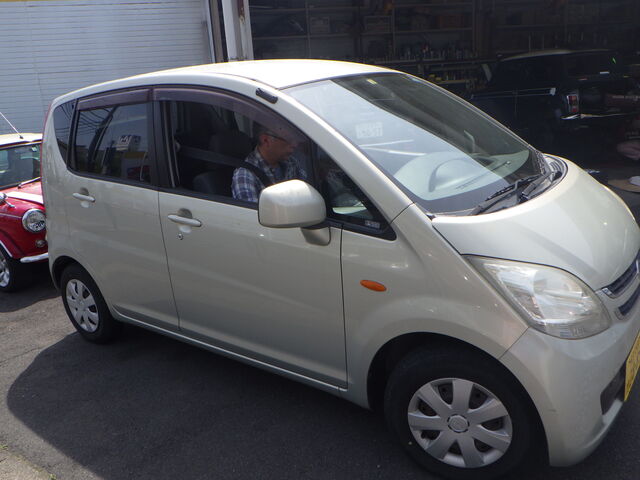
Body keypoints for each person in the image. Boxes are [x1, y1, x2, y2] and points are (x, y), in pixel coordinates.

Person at [232, 124, 306, 202]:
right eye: (289, 139)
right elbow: (251, 209)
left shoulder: (291, 162)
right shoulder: (245, 176)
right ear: (266, 141)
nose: (294, 145)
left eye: (295, 139)